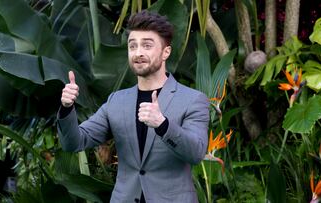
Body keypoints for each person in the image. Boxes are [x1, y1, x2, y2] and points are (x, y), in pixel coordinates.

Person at [57, 10, 209, 203]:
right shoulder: (117, 101)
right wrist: (67, 108)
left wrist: (163, 124)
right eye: (132, 46)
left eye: (147, 45)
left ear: (166, 52)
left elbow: (196, 153)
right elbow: (74, 142)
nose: (138, 52)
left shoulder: (193, 99)